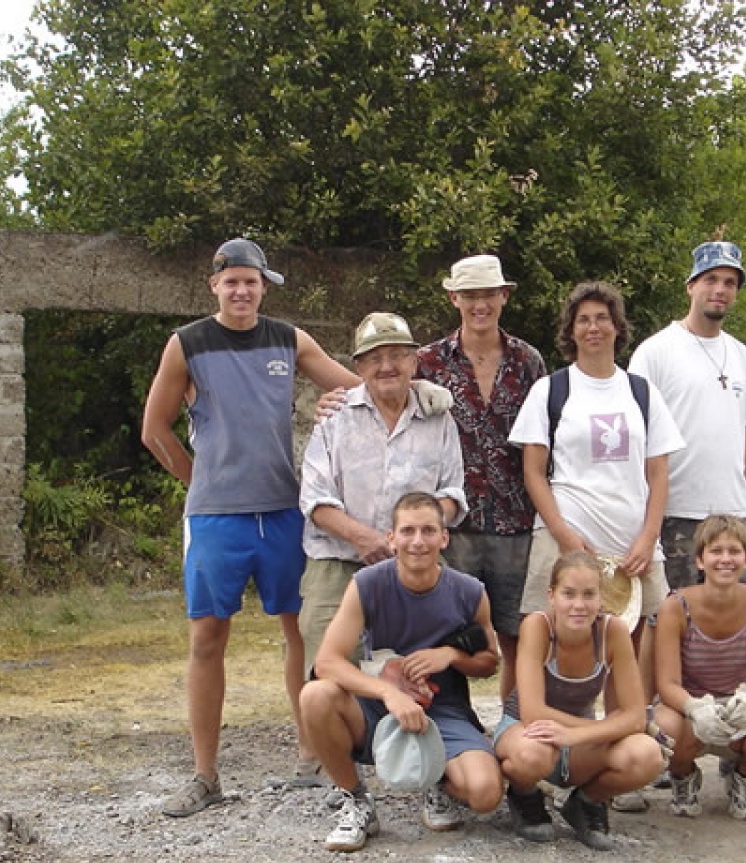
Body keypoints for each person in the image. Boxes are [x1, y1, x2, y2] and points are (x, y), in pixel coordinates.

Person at [142, 237, 360, 818]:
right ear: (214, 285)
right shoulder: (187, 343)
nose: (241, 291)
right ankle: (205, 775)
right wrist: (197, 483)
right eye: (231, 281)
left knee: (300, 631)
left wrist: (341, 403)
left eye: (251, 281)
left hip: (283, 512)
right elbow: (154, 429)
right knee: (207, 639)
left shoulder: (287, 338)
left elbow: (355, 388)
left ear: (265, 286)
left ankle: (312, 758)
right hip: (215, 518)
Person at [300, 493, 503, 853]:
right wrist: (388, 694)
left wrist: (451, 655)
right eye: (407, 531)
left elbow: (490, 662)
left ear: (444, 537)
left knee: (486, 795)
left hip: (444, 709)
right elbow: (326, 662)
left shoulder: (470, 592)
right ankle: (356, 799)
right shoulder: (367, 584)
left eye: (428, 530)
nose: (418, 541)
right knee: (315, 696)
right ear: (391, 539)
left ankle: (436, 781)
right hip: (379, 707)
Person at [508, 281, 684, 642]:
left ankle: (632, 702)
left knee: (637, 642)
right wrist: (563, 534)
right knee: (547, 636)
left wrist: (649, 537)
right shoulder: (550, 390)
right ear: (571, 331)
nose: (593, 327)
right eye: (583, 319)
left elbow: (659, 473)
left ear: (617, 327)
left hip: (631, 542)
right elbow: (533, 472)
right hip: (566, 535)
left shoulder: (642, 392)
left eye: (602, 318)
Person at [298, 312, 468, 671]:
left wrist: (415, 537)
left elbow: (452, 493)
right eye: (374, 358)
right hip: (338, 563)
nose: (386, 366)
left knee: (419, 677)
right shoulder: (335, 417)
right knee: (330, 677)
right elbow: (314, 500)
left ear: (414, 360)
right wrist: (364, 539)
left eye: (397, 355)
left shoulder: (439, 418)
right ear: (359, 366)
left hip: (416, 563)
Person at [415, 255, 548, 701]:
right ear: (454, 298)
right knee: (451, 632)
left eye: (488, 294)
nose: (480, 304)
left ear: (504, 296)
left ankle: (514, 722)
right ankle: (454, 725)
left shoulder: (529, 361)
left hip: (515, 519)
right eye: (470, 295)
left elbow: (546, 440)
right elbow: (384, 403)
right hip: (454, 523)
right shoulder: (427, 362)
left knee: (517, 632)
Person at [493, 551, 664, 849]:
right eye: (568, 594)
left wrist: (578, 734)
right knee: (532, 753)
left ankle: (587, 802)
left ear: (601, 598)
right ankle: (524, 794)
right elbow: (533, 713)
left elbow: (635, 716)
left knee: (648, 754)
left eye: (589, 595)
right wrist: (599, 729)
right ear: (552, 596)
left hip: (579, 738)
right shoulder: (537, 626)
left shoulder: (613, 632)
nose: (579, 605)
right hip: (523, 727)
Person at [628, 241, 746, 588]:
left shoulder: (742, 356)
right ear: (691, 285)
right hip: (676, 513)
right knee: (673, 623)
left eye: (729, 283)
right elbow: (636, 438)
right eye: (711, 279)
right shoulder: (655, 352)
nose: (720, 290)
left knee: (737, 624)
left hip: (733, 515)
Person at [651, 517, 746, 820]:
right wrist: (694, 707)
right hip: (690, 709)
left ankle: (745, 775)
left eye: (734, 551)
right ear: (699, 560)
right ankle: (683, 775)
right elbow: (666, 683)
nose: (725, 559)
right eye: (716, 551)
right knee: (661, 725)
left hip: (738, 707)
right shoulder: (675, 606)